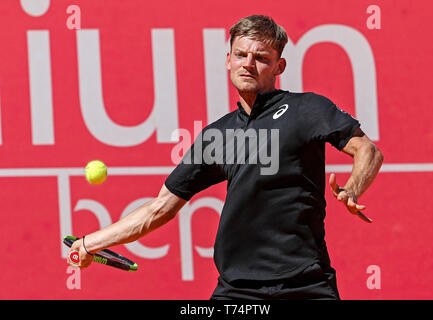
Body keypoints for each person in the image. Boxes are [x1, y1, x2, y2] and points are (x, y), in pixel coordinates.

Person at [67, 15, 384, 300]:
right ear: (228, 60)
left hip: (306, 286)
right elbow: (159, 208)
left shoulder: (307, 109)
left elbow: (368, 150)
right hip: (238, 291)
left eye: (261, 58)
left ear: (279, 67)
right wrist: (88, 242)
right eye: (240, 55)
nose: (248, 63)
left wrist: (354, 188)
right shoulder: (216, 136)